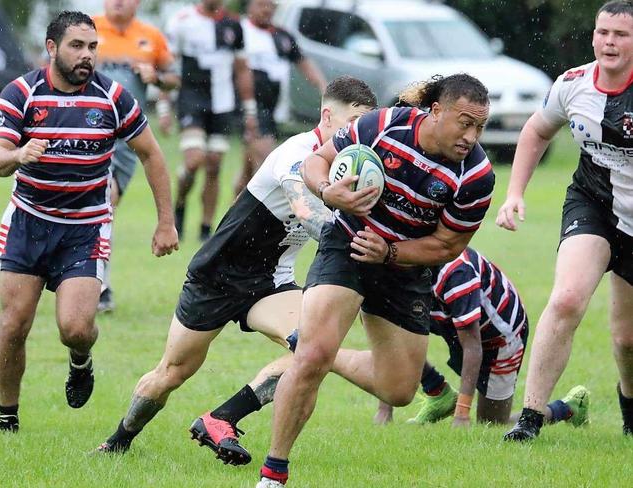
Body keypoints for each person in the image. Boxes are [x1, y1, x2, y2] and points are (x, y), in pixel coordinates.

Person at [94, 77, 378, 458]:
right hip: (218, 277)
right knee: (172, 373)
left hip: (271, 281)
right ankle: (118, 440)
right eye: (354, 121)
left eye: (366, 124)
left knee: (314, 350)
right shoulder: (297, 153)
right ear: (327, 115)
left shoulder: (352, 163)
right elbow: (308, 213)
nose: (359, 133)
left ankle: (222, 419)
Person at [256, 74, 495, 488]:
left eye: (480, 126)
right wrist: (328, 192)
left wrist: (391, 253)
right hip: (347, 242)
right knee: (311, 356)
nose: (471, 135)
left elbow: (447, 246)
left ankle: (323, 350)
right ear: (435, 111)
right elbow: (316, 162)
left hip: (403, 268)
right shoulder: (382, 125)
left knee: (399, 389)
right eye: (464, 122)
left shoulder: (475, 176)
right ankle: (273, 474)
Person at [0, 11, 178, 433]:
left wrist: (166, 222)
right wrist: (19, 155)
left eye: (92, 47)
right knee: (14, 324)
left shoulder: (113, 97)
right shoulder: (21, 93)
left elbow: (151, 154)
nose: (87, 55)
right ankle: (7, 416)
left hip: (85, 228)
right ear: (52, 48)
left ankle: (80, 359)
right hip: (27, 223)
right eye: (77, 46)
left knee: (75, 328)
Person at [497, 0, 633, 442]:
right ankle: (530, 419)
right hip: (592, 203)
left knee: (627, 339)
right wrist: (515, 192)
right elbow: (537, 130)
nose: (609, 42)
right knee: (568, 298)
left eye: (621, 34)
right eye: (603, 32)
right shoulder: (572, 84)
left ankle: (629, 406)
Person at [370, 247, 590, 428]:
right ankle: (437, 390)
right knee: (386, 321)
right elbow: (389, 335)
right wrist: (384, 409)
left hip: (500, 339)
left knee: (492, 424)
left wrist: (462, 414)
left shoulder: (456, 273)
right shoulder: (393, 260)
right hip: (450, 319)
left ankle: (568, 407)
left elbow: (473, 346)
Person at [94, 0, 180, 312]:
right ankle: (98, 285)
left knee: (103, 202)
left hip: (127, 138)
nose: (118, 2)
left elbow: (174, 78)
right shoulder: (87, 31)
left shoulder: (151, 36)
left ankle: (88, 278)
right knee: (105, 199)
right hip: (87, 129)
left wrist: (154, 76)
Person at [166, 0, 258, 242]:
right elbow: (168, 65)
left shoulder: (233, 26)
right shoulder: (182, 21)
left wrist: (249, 110)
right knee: (195, 160)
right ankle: (180, 202)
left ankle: (205, 229)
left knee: (215, 165)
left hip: (222, 104)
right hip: (191, 100)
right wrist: (164, 106)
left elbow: (242, 69)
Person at [234, 0, 327, 194]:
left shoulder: (282, 36)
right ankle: (258, 217)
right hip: (249, 106)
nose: (266, 10)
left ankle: (234, 213)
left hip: (273, 107)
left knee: (249, 171)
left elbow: (304, 63)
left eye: (270, 6)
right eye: (262, 5)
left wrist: (324, 88)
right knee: (267, 161)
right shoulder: (240, 31)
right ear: (250, 5)